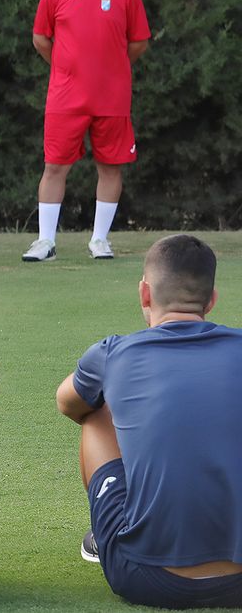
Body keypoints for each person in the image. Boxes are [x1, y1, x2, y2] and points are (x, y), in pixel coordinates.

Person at [57, 234, 242, 608]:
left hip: (149, 579)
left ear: (145, 294)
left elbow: (68, 403)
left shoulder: (113, 353)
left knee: (94, 412)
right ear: (211, 300)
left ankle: (110, 531)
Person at [25, 0, 151, 263]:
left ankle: (99, 241)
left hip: (112, 97)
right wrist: (66, 68)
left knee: (110, 167)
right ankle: (45, 242)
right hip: (66, 98)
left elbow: (139, 41)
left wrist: (112, 66)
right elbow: (40, 38)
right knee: (54, 166)